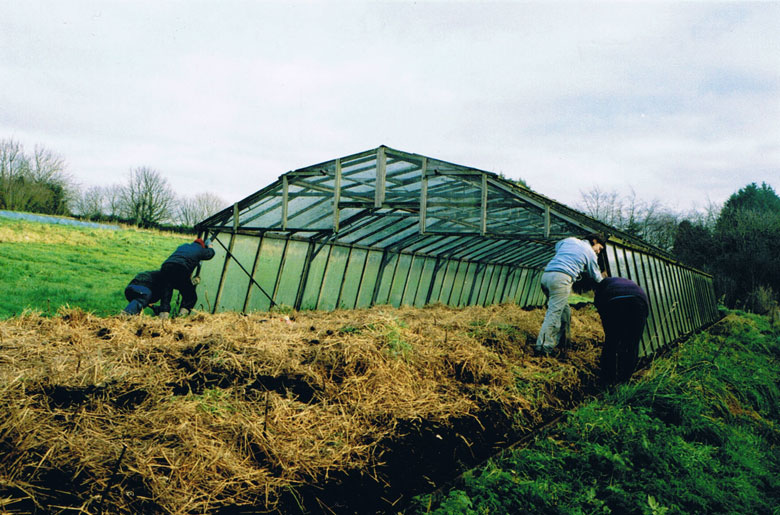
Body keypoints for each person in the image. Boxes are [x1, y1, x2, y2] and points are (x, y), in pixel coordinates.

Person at [535, 233, 607, 356]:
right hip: (561, 279)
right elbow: (596, 277)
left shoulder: (569, 240)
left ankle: (564, 342)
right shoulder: (590, 252)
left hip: (546, 276)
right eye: (599, 248)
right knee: (554, 313)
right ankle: (543, 348)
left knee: (565, 311)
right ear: (594, 241)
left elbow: (558, 247)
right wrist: (605, 278)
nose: (599, 252)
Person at [594, 277, 649, 385]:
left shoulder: (603, 284)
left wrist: (608, 326)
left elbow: (599, 304)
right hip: (639, 303)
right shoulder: (632, 284)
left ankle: (607, 379)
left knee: (611, 342)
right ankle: (624, 380)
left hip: (614, 302)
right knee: (632, 344)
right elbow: (646, 311)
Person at [158, 237, 215, 319]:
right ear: (203, 246)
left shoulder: (184, 246)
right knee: (190, 296)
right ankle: (181, 318)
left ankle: (162, 319)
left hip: (166, 266)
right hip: (181, 268)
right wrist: (210, 245)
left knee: (166, 293)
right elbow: (211, 253)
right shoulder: (200, 249)